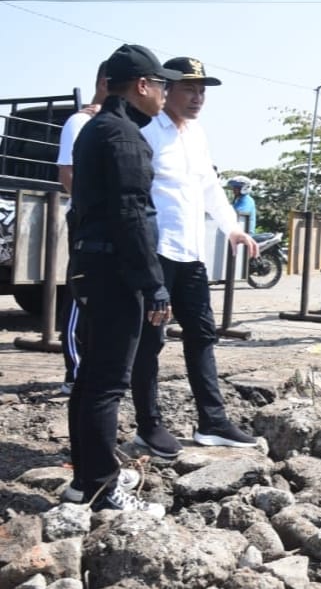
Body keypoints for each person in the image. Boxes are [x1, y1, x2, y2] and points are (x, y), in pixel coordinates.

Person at [67, 43, 183, 516]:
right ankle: (101, 490)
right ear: (142, 86)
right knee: (108, 383)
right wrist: (153, 284)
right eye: (161, 85)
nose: (164, 93)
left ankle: (84, 482)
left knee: (91, 379)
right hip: (116, 273)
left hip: (93, 268)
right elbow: (133, 215)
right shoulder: (124, 138)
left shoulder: (97, 130)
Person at [131, 56, 260, 457]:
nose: (198, 97)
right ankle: (148, 425)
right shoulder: (147, 132)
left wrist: (233, 228)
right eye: (189, 88)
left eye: (202, 90)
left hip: (191, 255)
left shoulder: (197, 134)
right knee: (149, 343)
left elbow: (210, 189)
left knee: (202, 335)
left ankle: (213, 421)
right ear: (165, 88)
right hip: (157, 255)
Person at [56, 60, 108, 395]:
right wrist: (94, 211)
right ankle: (74, 373)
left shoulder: (119, 124)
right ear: (105, 82)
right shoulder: (80, 122)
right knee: (80, 294)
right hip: (89, 223)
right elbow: (67, 174)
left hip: (117, 225)